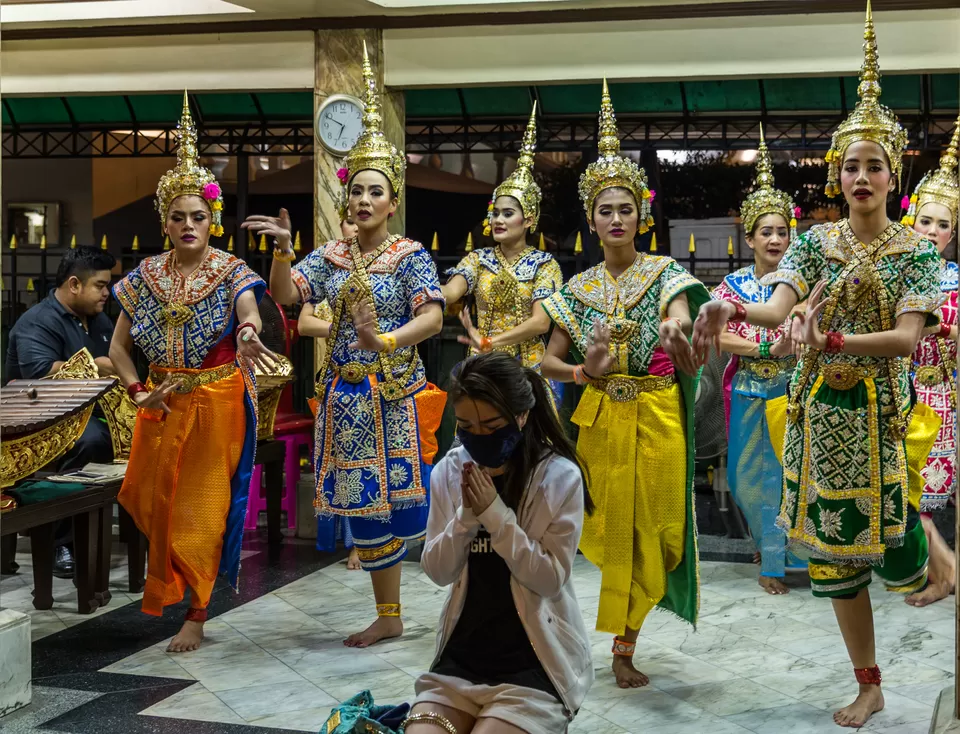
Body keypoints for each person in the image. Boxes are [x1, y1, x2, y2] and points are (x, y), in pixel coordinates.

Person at [692, 6, 944, 726]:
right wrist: (725, 313)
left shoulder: (916, 252)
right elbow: (776, 312)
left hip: (881, 422)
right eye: (849, 165)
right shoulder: (813, 244)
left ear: (895, 174)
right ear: (837, 176)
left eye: (874, 164)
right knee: (836, 570)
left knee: (902, 563)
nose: (860, 175)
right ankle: (869, 683)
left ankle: (938, 566)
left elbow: (902, 341)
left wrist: (829, 340)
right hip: (817, 422)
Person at [243, 44, 446, 649]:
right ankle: (389, 612)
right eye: (354, 190)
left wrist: (382, 338)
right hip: (343, 394)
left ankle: (395, 611)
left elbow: (433, 319)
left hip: (391, 393)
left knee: (395, 504)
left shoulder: (409, 256)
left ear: (393, 201)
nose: (362, 201)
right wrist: (282, 249)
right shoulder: (328, 256)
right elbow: (287, 295)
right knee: (360, 503)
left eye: (374, 192)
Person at [541, 80, 709, 689]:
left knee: (657, 532)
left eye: (627, 209)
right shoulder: (576, 289)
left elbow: (681, 320)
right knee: (605, 534)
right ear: (591, 218)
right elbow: (546, 365)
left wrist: (678, 334)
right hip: (601, 426)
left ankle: (626, 640)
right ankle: (613, 645)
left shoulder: (666, 273)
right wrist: (586, 371)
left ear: (642, 214)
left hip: (658, 419)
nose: (616, 219)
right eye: (605, 210)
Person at [109, 93, 275, 653]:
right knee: (153, 501)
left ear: (213, 219)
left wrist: (249, 336)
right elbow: (119, 347)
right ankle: (178, 586)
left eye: (197, 216)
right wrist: (138, 392)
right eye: (177, 217)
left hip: (217, 402)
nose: (187, 225)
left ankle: (197, 612)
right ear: (164, 221)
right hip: (161, 404)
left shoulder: (232, 271)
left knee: (203, 509)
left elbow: (249, 315)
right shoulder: (145, 275)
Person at [405, 352, 594, 734]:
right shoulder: (450, 471)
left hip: (533, 664)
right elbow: (439, 572)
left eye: (492, 425)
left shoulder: (558, 477)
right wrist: (466, 518)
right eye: (466, 426)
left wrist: (495, 514)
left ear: (521, 416)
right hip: (461, 660)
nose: (480, 437)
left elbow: (548, 580)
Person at [712, 129, 806, 595]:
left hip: (791, 394)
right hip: (747, 390)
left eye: (782, 231)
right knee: (745, 478)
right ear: (748, 237)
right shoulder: (731, 287)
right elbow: (720, 335)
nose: (775, 239)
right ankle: (767, 544)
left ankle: (775, 562)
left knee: (789, 476)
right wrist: (767, 348)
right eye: (766, 231)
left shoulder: (801, 284)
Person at [4, 246, 118, 578]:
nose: (106, 293)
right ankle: (61, 542)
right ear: (74, 284)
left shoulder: (99, 319)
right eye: (100, 285)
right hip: (39, 419)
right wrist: (99, 366)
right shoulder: (38, 321)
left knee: (147, 430)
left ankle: (135, 528)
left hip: (85, 410)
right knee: (91, 441)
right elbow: (40, 373)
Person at [442, 104, 563, 390]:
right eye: (495, 213)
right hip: (482, 367)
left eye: (508, 213)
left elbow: (540, 323)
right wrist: (426, 290)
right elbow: (451, 292)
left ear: (528, 220)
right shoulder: (478, 260)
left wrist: (490, 341)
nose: (498, 219)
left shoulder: (544, 265)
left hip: (528, 370)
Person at [900, 114, 960, 607]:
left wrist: (948, 328)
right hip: (903, 397)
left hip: (943, 397)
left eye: (944, 224)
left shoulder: (957, 279)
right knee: (911, 497)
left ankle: (946, 576)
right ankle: (942, 575)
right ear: (911, 218)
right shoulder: (899, 273)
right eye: (927, 220)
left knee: (926, 498)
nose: (933, 230)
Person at [299, 217, 362, 572]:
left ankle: (368, 542)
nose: (354, 227)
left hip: (374, 379)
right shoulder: (329, 272)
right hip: (335, 381)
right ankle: (349, 543)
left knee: (369, 465)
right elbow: (304, 322)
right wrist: (345, 328)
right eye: (348, 221)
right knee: (339, 465)